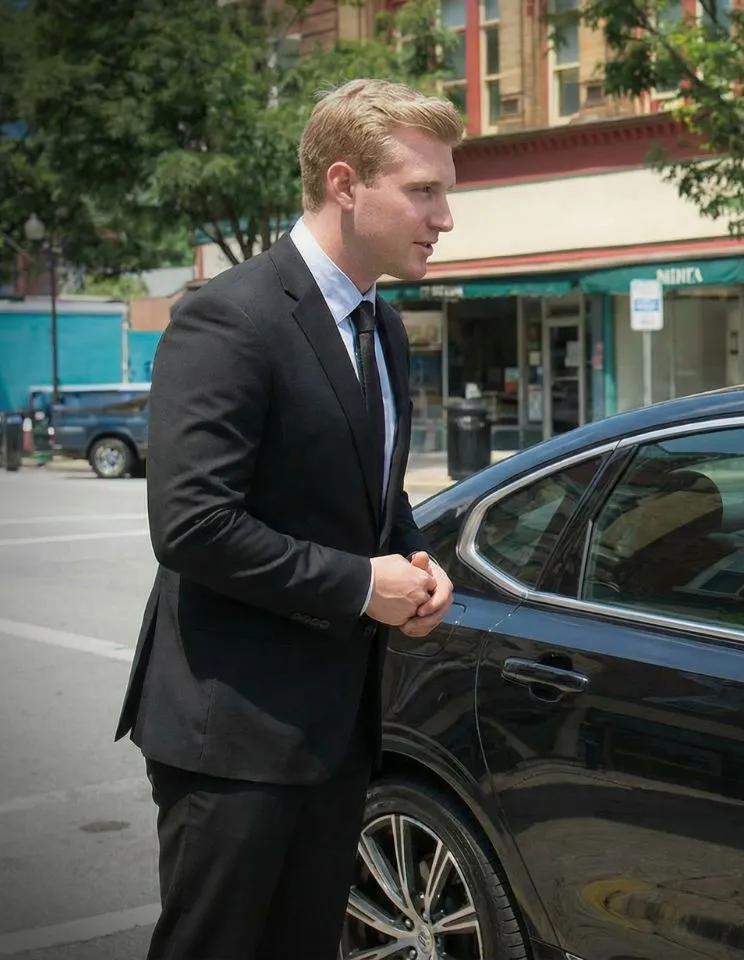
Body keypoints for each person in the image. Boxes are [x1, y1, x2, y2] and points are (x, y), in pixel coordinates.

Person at [114, 78, 463, 959]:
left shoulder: (381, 328)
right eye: (424, 190)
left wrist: (417, 562)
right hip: (231, 736)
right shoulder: (229, 317)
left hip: (336, 728)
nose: (445, 217)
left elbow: (372, 495)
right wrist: (358, 585)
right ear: (346, 184)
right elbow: (191, 523)